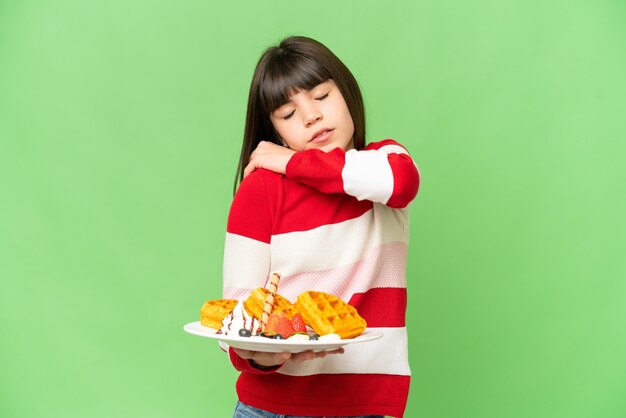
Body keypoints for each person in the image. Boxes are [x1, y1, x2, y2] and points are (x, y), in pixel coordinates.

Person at [221, 35, 420, 418]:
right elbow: (239, 317)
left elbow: (401, 182)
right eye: (288, 113)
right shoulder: (261, 189)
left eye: (321, 96)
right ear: (276, 132)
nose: (311, 116)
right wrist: (261, 354)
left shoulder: (384, 165)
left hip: (367, 405)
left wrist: (288, 161)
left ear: (345, 93)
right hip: (271, 407)